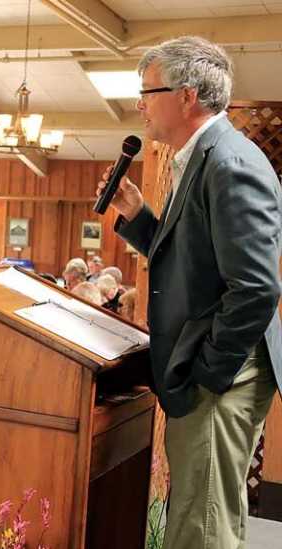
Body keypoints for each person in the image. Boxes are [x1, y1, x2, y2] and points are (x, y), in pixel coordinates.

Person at [96, 36, 282, 549]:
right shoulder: (194, 157)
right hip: (206, 368)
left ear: (186, 95)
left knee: (200, 529)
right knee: (206, 516)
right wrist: (138, 218)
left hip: (221, 377)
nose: (139, 105)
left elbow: (256, 287)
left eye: (147, 91)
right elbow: (195, 263)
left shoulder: (230, 163)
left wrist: (209, 373)